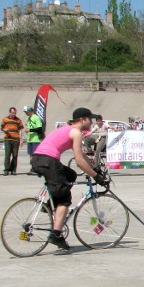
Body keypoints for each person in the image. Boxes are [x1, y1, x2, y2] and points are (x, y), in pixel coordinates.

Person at [31, 107, 108, 250]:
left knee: (70, 175)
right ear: (82, 120)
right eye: (89, 119)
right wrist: (96, 176)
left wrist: (94, 167)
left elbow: (81, 155)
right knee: (64, 200)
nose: (91, 122)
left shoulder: (68, 129)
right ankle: (56, 234)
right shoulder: (76, 132)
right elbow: (79, 160)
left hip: (38, 159)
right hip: (49, 161)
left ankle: (49, 205)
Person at [0, 107, 24, 175]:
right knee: (7, 155)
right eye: (12, 113)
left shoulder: (18, 120)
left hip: (16, 139)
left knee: (15, 155)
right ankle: (6, 169)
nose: (13, 114)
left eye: (15, 113)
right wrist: (5, 130)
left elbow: (20, 130)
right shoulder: (5, 119)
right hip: (7, 139)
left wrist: (21, 140)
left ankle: (13, 169)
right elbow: (2, 128)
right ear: (10, 112)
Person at [23, 105, 44, 175]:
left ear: (30, 111)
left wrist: (30, 130)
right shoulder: (28, 118)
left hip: (36, 139)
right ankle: (33, 167)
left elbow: (39, 128)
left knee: (36, 155)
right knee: (31, 154)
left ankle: (37, 168)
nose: (26, 113)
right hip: (30, 139)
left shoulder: (36, 117)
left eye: (27, 112)